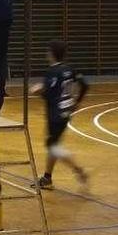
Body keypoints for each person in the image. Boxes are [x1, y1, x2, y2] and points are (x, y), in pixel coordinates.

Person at [30, 41, 88, 190]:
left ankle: (78, 170)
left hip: (55, 114)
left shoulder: (52, 71)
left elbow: (49, 93)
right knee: (53, 144)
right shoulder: (70, 69)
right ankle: (47, 178)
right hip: (66, 111)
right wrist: (77, 102)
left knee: (53, 146)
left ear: (51, 54)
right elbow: (85, 85)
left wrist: (37, 90)